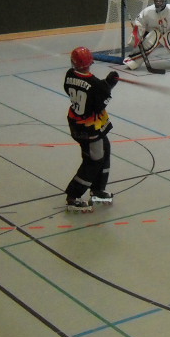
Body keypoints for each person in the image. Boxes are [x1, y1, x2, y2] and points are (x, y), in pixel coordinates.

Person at [64, 46, 119, 212]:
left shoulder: (69, 75)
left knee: (105, 150)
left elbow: (88, 88)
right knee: (94, 160)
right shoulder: (96, 85)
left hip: (76, 122)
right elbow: (99, 102)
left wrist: (105, 84)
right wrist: (109, 84)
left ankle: (98, 189)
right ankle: (73, 196)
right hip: (89, 127)